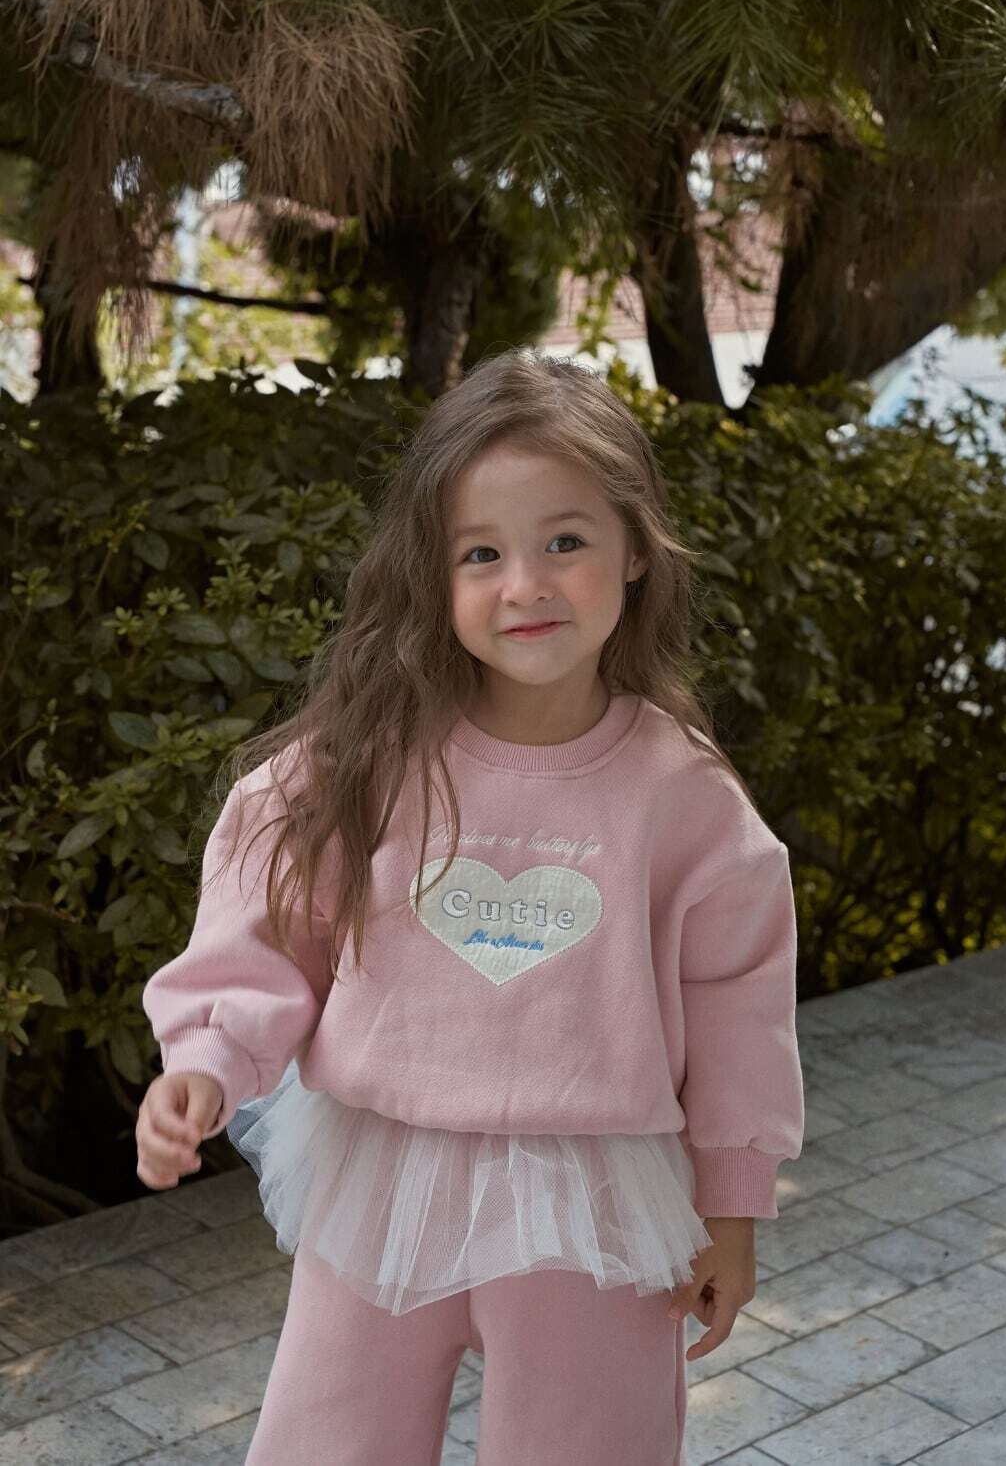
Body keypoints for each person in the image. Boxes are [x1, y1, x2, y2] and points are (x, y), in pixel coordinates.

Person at [135, 348, 804, 1466]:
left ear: (636, 548)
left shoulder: (682, 795)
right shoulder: (368, 757)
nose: (525, 584)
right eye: (481, 553)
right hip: (380, 1174)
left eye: (565, 542)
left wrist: (731, 1209)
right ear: (431, 575)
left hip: (595, 1199)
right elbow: (269, 912)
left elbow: (738, 1006)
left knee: (587, 1449)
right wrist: (206, 1056)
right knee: (329, 1444)